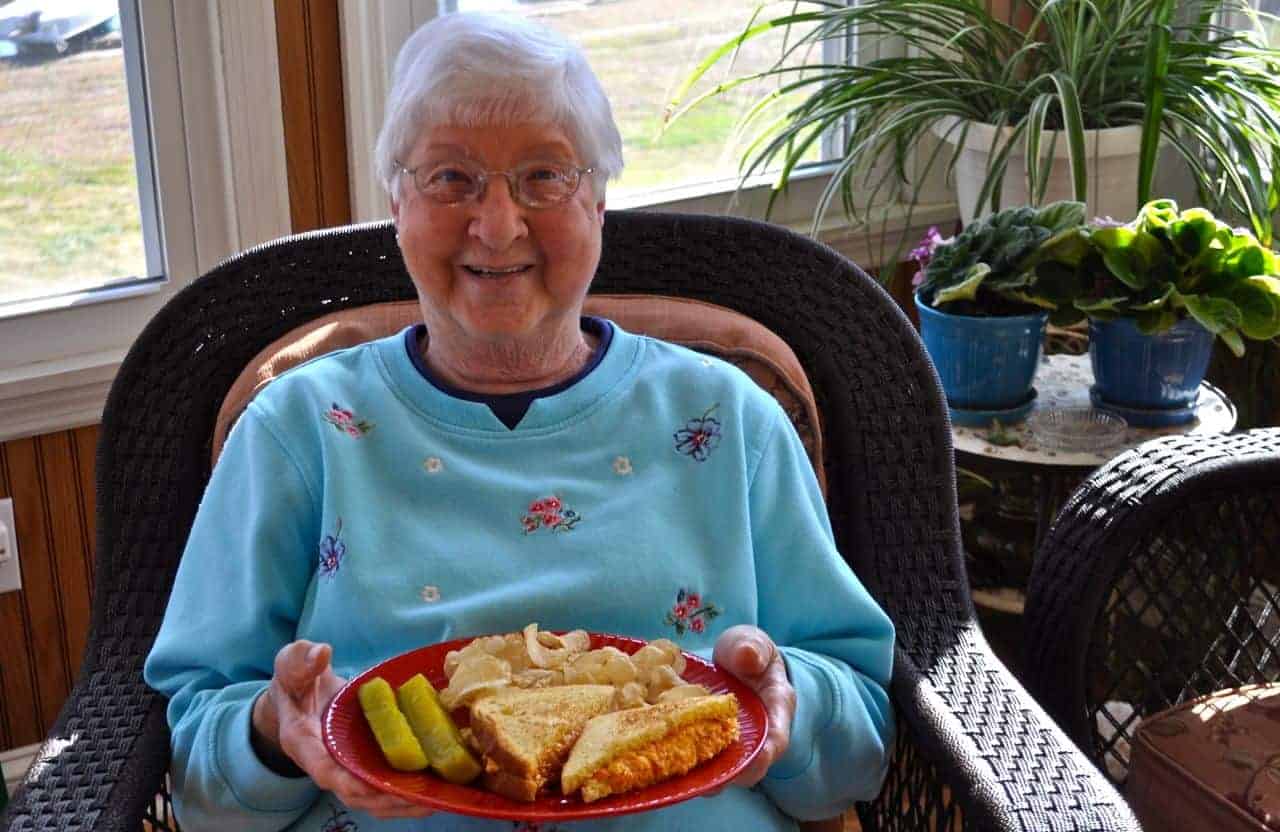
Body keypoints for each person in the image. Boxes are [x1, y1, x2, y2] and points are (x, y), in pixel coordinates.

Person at [143, 11, 894, 831]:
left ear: (600, 200)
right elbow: (201, 780)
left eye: (544, 176)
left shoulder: (729, 419)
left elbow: (855, 749)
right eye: (451, 179)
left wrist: (791, 699)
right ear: (395, 200)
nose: (497, 225)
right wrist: (270, 731)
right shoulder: (298, 430)